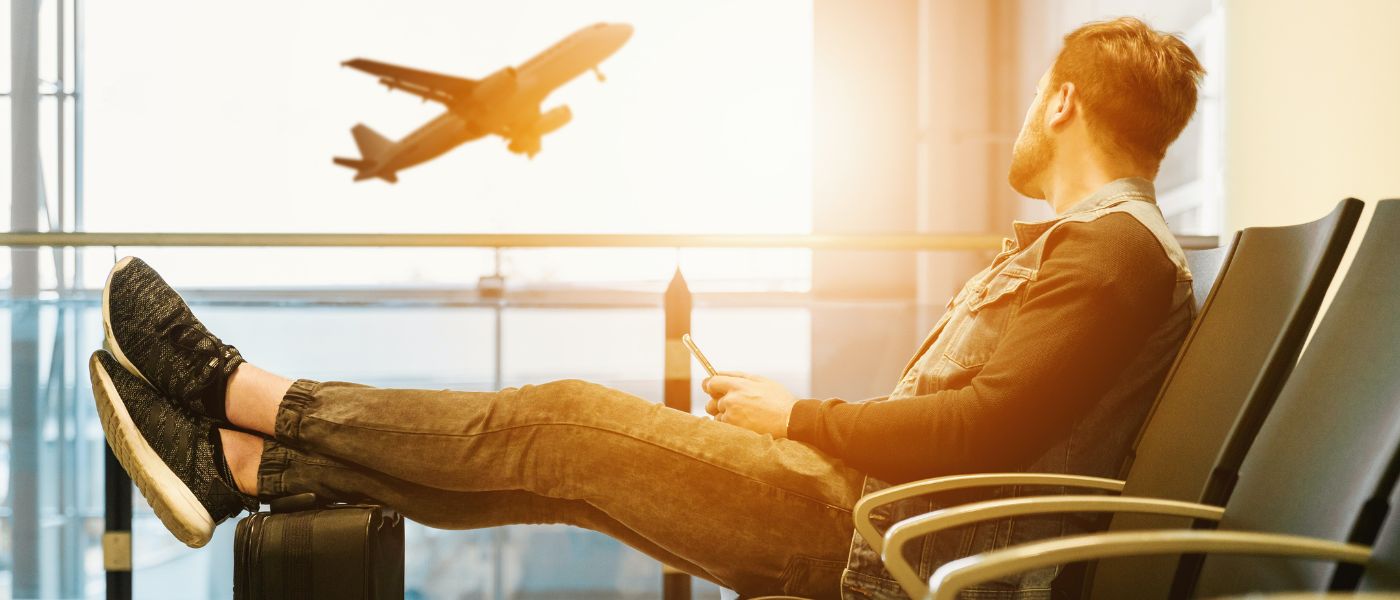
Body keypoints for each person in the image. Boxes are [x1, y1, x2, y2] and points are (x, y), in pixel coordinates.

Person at [90, 16, 1204, 599]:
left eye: (1033, 97)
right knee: (555, 474)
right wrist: (803, 424)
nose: (1023, 115)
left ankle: (238, 393)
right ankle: (241, 468)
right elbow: (986, 422)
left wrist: (795, 418)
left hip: (875, 543)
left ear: (1063, 100)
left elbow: (979, 433)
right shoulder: (1102, 252)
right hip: (875, 518)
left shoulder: (1111, 255)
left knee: (556, 422)